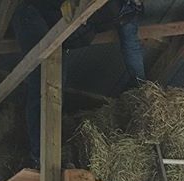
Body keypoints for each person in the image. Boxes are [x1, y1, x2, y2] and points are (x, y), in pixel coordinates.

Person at [11, 0, 145, 166]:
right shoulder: (112, 8)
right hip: (32, 15)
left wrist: (142, 90)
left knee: (55, 83)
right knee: (42, 78)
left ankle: (46, 152)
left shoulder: (126, 13)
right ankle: (40, 156)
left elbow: (130, 45)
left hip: (59, 31)